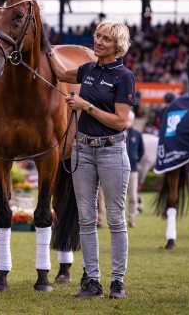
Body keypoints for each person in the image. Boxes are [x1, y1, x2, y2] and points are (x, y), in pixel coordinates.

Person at [49, 20, 134, 299]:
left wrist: (86, 107)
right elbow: (61, 71)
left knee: (115, 219)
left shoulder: (124, 76)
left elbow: (121, 121)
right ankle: (92, 281)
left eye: (106, 39)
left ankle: (117, 282)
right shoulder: (86, 69)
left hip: (111, 150)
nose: (98, 42)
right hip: (83, 152)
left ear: (117, 45)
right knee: (85, 219)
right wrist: (44, 45)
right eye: (97, 36)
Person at [125, 109, 144, 227]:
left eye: (130, 119)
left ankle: (131, 219)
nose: (128, 121)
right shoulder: (117, 132)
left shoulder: (137, 134)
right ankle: (118, 221)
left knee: (133, 197)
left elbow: (142, 151)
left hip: (133, 170)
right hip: (118, 170)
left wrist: (136, 159)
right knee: (118, 198)